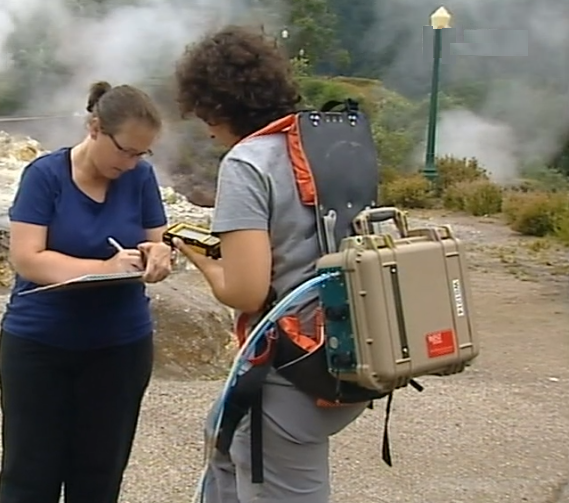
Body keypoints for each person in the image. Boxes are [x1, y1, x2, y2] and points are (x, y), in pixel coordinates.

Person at [171, 25, 369, 503]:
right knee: (220, 434)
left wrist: (199, 257)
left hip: (289, 371)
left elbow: (246, 292)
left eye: (203, 114)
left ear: (216, 105)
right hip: (349, 348)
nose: (205, 128)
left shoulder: (247, 163)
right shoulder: (327, 143)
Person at [0, 81, 175, 503]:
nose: (131, 164)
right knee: (29, 475)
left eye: (141, 154)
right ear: (94, 127)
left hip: (120, 346)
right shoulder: (44, 176)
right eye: (125, 151)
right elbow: (28, 258)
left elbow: (160, 240)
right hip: (40, 344)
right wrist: (103, 267)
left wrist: (159, 256)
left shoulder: (141, 177)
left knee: (100, 475)